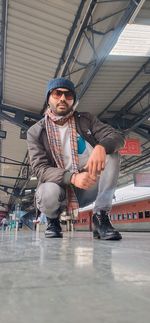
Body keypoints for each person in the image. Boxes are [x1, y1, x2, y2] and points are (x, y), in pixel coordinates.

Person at [27, 77, 125, 240]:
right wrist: (71, 177)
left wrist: (102, 146)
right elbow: (40, 169)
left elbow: (116, 137)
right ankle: (52, 221)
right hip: (59, 189)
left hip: (89, 185)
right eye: (57, 94)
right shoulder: (35, 131)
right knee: (46, 192)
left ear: (73, 100)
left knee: (112, 155)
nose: (63, 98)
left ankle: (100, 216)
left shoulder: (86, 120)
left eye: (68, 95)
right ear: (48, 98)